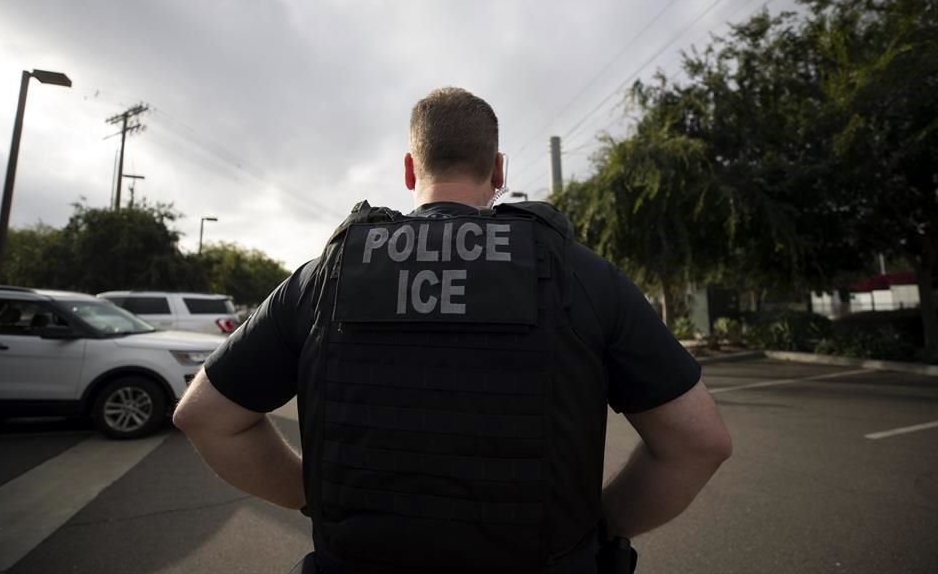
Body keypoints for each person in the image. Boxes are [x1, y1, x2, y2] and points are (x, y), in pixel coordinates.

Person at [174, 87, 732, 574]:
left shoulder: (328, 276)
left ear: (410, 170)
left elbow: (204, 417)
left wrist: (308, 495)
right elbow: (698, 443)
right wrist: (604, 523)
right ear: (498, 172)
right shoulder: (577, 273)